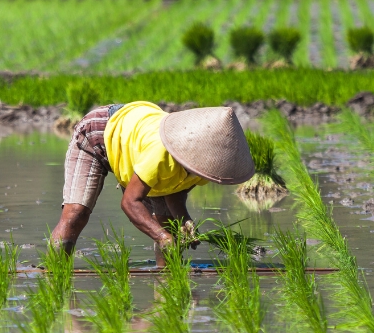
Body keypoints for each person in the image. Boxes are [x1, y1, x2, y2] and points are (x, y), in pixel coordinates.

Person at [51, 101, 255, 267]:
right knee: (76, 213)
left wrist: (184, 218)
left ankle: (165, 289)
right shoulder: (159, 154)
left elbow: (175, 188)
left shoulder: (207, 166)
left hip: (135, 143)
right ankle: (56, 276)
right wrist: (161, 237)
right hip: (100, 133)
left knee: (170, 224)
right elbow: (130, 202)